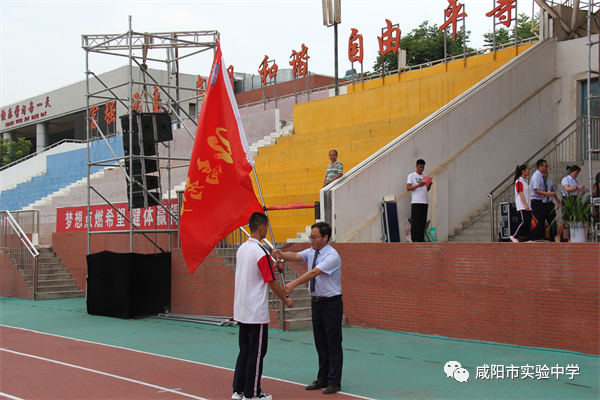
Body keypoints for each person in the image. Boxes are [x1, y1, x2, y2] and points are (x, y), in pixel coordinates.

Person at [272, 222, 343, 395]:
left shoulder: (332, 256)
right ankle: (323, 378)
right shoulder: (312, 251)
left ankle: (334, 381)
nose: (311, 240)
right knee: (320, 341)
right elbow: (296, 256)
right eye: (310, 237)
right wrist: (282, 254)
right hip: (316, 302)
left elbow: (313, 273)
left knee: (333, 342)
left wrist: (294, 283)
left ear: (325, 238)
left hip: (331, 303)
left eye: (314, 237)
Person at [232, 212, 293, 400]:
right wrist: (286, 300)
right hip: (255, 311)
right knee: (257, 353)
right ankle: (253, 393)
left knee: (245, 350)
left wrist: (273, 265)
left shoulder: (242, 248)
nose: (267, 229)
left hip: (242, 309)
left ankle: (238, 390)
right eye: (266, 226)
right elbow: (272, 282)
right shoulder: (261, 252)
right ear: (261, 227)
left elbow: (257, 271)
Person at [556, 165, 586, 242]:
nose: (577, 175)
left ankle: (572, 237)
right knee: (565, 219)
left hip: (574, 199)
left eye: (578, 173)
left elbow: (576, 191)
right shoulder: (566, 179)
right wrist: (577, 187)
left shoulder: (575, 181)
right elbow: (567, 188)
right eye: (576, 173)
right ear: (571, 171)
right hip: (567, 199)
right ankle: (558, 235)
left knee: (573, 219)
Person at [406, 159, 432, 242]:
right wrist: (418, 185)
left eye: (423, 167)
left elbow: (426, 189)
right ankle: (415, 238)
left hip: (424, 201)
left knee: (422, 222)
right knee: (415, 221)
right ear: (416, 166)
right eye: (420, 167)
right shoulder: (411, 176)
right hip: (416, 201)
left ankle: (421, 238)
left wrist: (429, 185)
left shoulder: (425, 176)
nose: (421, 169)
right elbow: (408, 188)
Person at [530, 159, 556, 241]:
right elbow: (536, 190)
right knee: (539, 222)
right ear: (540, 167)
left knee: (547, 221)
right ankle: (538, 240)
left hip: (543, 202)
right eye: (545, 166)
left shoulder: (542, 177)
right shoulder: (536, 176)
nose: (547, 168)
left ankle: (550, 238)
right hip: (537, 202)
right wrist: (548, 194)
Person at [510, 164, 532, 243]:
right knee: (525, 221)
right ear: (523, 171)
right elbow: (520, 193)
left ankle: (528, 238)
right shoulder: (519, 181)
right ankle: (515, 236)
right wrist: (525, 204)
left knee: (528, 222)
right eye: (527, 170)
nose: (529, 171)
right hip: (522, 204)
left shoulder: (525, 181)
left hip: (527, 204)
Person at [542, 171, 560, 241]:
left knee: (552, 222)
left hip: (550, 203)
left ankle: (553, 238)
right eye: (544, 173)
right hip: (542, 204)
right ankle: (542, 238)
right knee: (541, 223)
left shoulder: (550, 181)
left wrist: (558, 201)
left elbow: (553, 192)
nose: (545, 175)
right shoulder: (538, 181)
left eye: (546, 173)